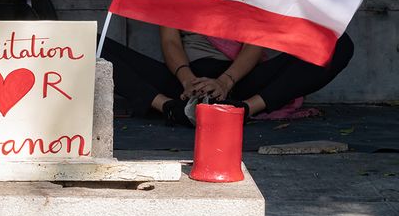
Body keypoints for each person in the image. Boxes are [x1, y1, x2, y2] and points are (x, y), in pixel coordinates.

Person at [100, 27, 353, 125]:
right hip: (182, 82)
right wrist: (187, 79)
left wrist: (225, 81)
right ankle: (168, 108)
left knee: (338, 44)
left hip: (240, 80)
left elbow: (255, 44)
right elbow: (170, 41)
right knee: (93, 43)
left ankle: (243, 110)